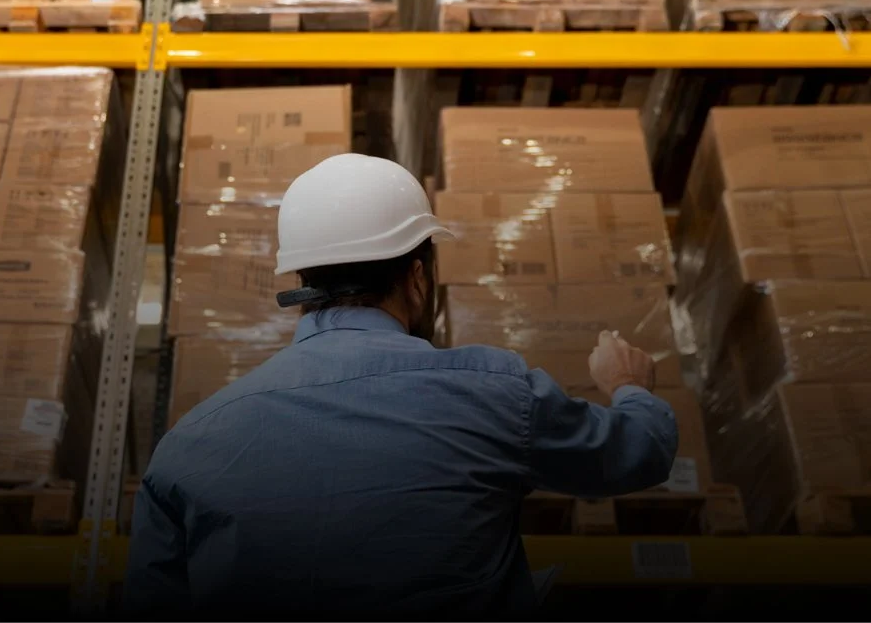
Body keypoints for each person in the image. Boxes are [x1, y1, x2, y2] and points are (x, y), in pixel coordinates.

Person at [126, 153, 677, 617]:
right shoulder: (493, 393)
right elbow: (637, 453)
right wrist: (629, 385)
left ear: (302, 280)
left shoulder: (187, 445)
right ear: (416, 279)